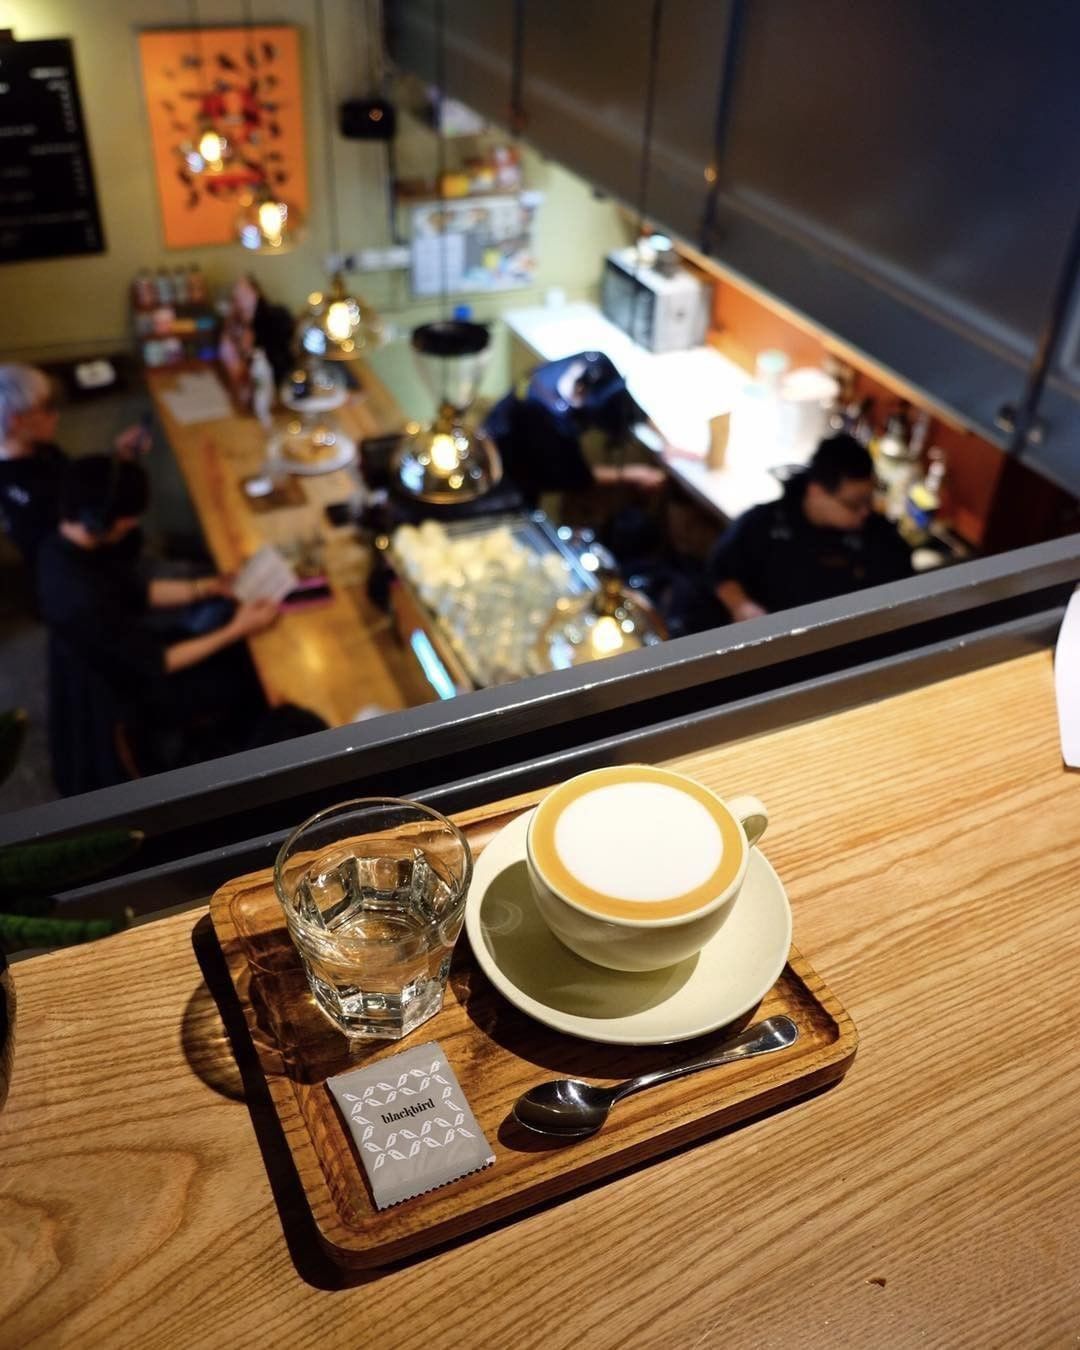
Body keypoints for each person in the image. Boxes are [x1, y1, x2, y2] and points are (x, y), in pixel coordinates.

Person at [36, 454, 278, 794]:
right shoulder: (82, 601)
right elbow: (159, 661)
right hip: (132, 690)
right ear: (101, 520)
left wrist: (207, 587)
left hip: (130, 649)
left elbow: (137, 592)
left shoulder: (64, 545)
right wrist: (237, 629)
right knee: (246, 676)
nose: (133, 524)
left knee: (227, 634)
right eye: (128, 519)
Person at [709, 433, 913, 621]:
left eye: (868, 501)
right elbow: (721, 569)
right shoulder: (764, 523)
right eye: (854, 504)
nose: (865, 512)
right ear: (816, 491)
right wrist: (742, 606)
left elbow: (904, 592)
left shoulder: (879, 535)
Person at [0, 364, 150, 567]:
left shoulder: (39, 449)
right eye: (46, 408)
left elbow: (82, 486)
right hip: (99, 571)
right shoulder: (23, 486)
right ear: (16, 421)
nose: (56, 415)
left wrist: (120, 456)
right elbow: (92, 525)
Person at [219, 274, 296, 401]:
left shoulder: (276, 317)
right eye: (237, 295)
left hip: (278, 384)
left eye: (244, 292)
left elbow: (281, 354)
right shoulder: (234, 327)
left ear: (257, 292)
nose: (240, 298)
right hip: (250, 388)